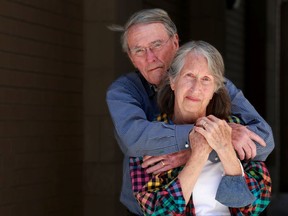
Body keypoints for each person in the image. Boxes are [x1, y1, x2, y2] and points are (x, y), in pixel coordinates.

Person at [106, 8, 274, 215]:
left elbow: (264, 141)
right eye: (139, 50)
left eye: (157, 45)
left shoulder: (218, 86)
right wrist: (213, 136)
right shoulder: (124, 91)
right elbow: (135, 140)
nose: (151, 57)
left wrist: (200, 148)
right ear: (131, 57)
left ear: (175, 42)